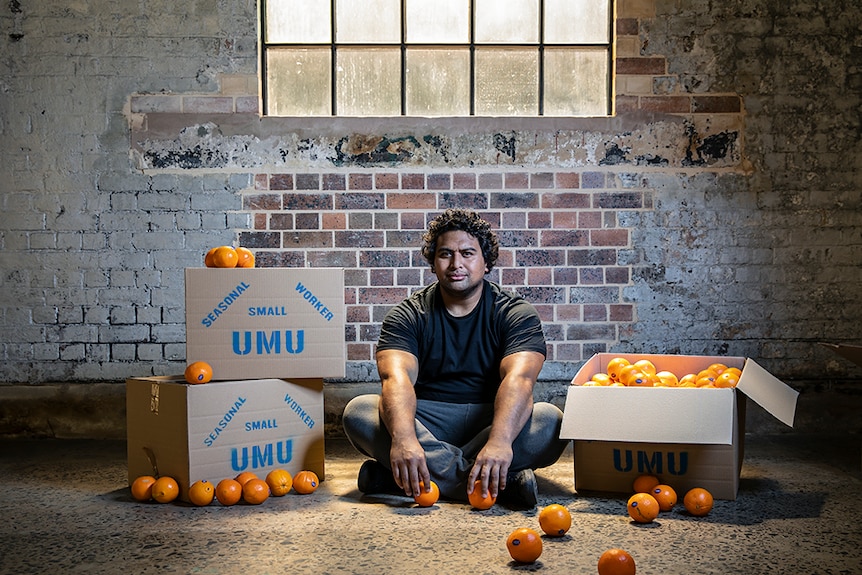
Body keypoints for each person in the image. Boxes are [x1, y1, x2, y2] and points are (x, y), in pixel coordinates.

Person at [342, 208, 568, 509]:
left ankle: (404, 478)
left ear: (486, 262)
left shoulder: (515, 313)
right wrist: (405, 439)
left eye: (467, 253)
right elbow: (396, 379)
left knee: (551, 422)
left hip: (490, 418)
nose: (456, 264)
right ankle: (494, 484)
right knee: (359, 412)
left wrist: (500, 442)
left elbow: (520, 380)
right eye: (445, 254)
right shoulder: (408, 314)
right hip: (426, 420)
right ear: (433, 263)